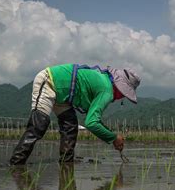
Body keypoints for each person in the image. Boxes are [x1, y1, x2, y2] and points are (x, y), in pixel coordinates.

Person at [10, 63, 140, 165]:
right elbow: (91, 123)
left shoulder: (105, 81)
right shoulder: (107, 91)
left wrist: (113, 137)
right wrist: (113, 138)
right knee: (39, 124)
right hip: (49, 81)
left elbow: (94, 119)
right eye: (124, 94)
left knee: (70, 128)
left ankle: (66, 164)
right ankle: (16, 164)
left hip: (64, 97)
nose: (121, 97)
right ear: (120, 89)